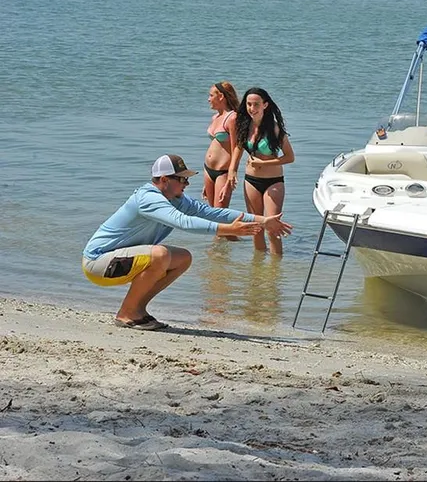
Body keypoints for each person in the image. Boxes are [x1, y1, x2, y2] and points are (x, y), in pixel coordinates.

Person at [81, 154, 292, 331]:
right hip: (98, 263)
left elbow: (212, 212)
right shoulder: (148, 198)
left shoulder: (177, 200)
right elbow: (184, 222)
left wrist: (263, 220)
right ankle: (126, 313)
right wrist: (229, 230)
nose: (187, 183)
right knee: (161, 255)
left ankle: (137, 309)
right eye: (182, 179)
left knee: (182, 258)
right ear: (164, 180)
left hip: (119, 260)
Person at [224, 87, 295, 256]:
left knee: (272, 228)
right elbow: (238, 148)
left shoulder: (275, 129)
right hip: (251, 181)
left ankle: (275, 267)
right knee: (256, 227)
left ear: (265, 105)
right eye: (249, 104)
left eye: (256, 104)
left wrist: (264, 162)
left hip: (273, 181)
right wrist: (232, 171)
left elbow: (289, 157)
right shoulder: (244, 126)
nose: (252, 108)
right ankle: (258, 267)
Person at [203, 81, 239, 209]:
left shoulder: (232, 118)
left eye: (211, 95)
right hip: (208, 170)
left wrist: (231, 175)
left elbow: (237, 149)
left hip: (223, 172)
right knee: (211, 214)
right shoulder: (215, 117)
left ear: (221, 96)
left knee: (220, 214)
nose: (208, 99)